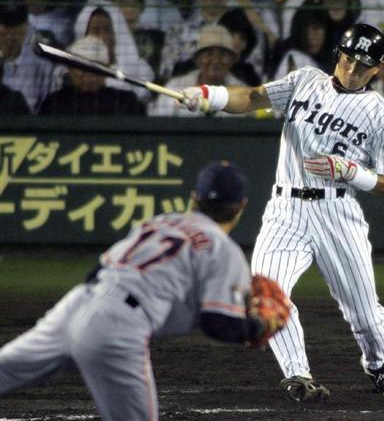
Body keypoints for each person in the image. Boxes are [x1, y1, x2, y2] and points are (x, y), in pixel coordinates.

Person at [177, 23, 384, 401]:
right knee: (269, 296)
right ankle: (298, 375)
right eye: (348, 60)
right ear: (339, 55)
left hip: (338, 214)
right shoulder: (305, 81)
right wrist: (208, 95)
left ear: (377, 69)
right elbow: (251, 97)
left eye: (363, 65)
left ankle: (377, 364)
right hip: (285, 210)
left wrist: (352, 172)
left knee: (365, 315)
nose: (352, 70)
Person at [0, 160, 291, 421]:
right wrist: (260, 325)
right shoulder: (223, 250)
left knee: (6, 370)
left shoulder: (159, 222)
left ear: (194, 198)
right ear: (241, 206)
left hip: (74, 305)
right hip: (117, 327)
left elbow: (98, 270)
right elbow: (218, 324)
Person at [149, 24, 246, 117]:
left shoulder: (243, 95)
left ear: (232, 60)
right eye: (209, 54)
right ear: (197, 60)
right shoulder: (175, 88)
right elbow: (157, 124)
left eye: (223, 54)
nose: (216, 61)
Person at [39, 35, 146, 116]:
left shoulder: (126, 102)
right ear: (69, 69)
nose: (84, 74)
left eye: (91, 68)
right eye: (78, 67)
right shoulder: (55, 103)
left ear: (107, 69)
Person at [0, 0, 55, 114]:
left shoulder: (42, 64)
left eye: (17, 24)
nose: (12, 32)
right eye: (6, 24)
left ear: (26, 25)